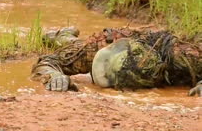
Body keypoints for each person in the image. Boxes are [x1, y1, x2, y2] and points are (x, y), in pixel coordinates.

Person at [31, 27, 201, 97]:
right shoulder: (96, 52)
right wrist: (53, 75)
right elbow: (47, 61)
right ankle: (62, 35)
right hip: (111, 42)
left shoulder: (180, 58)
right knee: (75, 48)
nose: (102, 73)